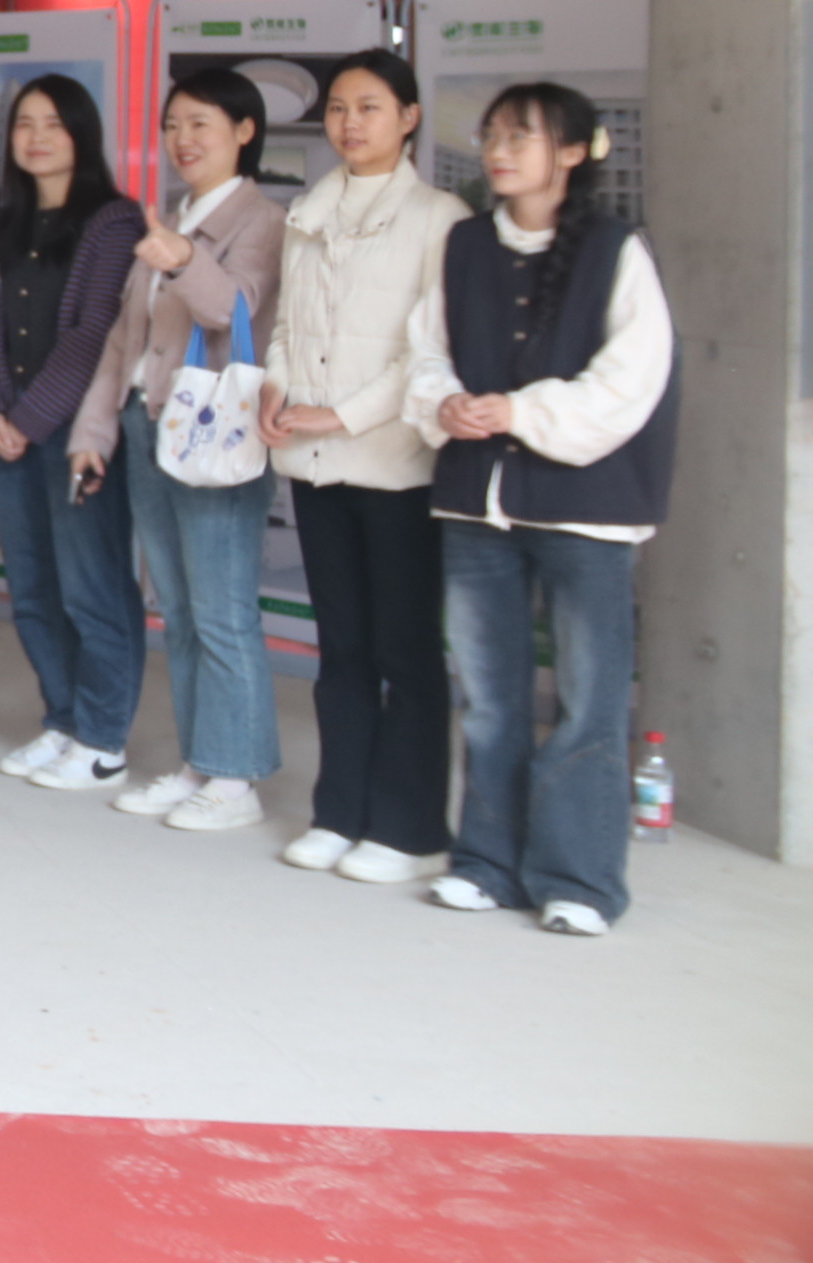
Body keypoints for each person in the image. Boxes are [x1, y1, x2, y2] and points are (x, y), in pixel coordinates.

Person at [405, 82, 676, 937]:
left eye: (520, 137)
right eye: (493, 135)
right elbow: (426, 351)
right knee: (490, 697)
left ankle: (580, 881)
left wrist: (520, 411)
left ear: (572, 152)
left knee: (590, 702)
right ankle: (486, 863)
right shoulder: (464, 243)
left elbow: (633, 378)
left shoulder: (616, 248)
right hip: (476, 506)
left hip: (584, 511)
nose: (498, 151)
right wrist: (445, 403)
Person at [260, 51, 470, 884]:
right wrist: (276, 389)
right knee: (342, 648)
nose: (351, 122)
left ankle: (411, 831)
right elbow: (288, 324)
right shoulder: (309, 209)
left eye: (371, 106)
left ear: (409, 117)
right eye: (340, 108)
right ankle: (339, 812)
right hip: (314, 464)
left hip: (396, 466)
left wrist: (342, 415)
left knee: (405, 652)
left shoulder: (440, 217)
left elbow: (431, 348)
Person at [71, 70, 287, 835]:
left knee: (222, 609)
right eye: (172, 125)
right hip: (150, 425)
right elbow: (122, 341)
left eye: (200, 123)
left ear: (244, 131)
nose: (182, 139)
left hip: (214, 433)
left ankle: (236, 776)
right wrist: (93, 432)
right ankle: (202, 761)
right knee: (183, 609)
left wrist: (180, 258)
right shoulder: (174, 217)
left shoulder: (261, 218)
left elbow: (235, 307)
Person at [0, 75, 149, 795]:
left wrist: (29, 419)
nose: (37, 137)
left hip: (77, 435)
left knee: (92, 588)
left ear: (82, 134)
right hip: (11, 432)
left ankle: (103, 739)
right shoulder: (1, 222)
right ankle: (64, 719)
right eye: (24, 124)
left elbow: (96, 332)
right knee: (33, 589)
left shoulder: (113, 221)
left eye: (54, 124)